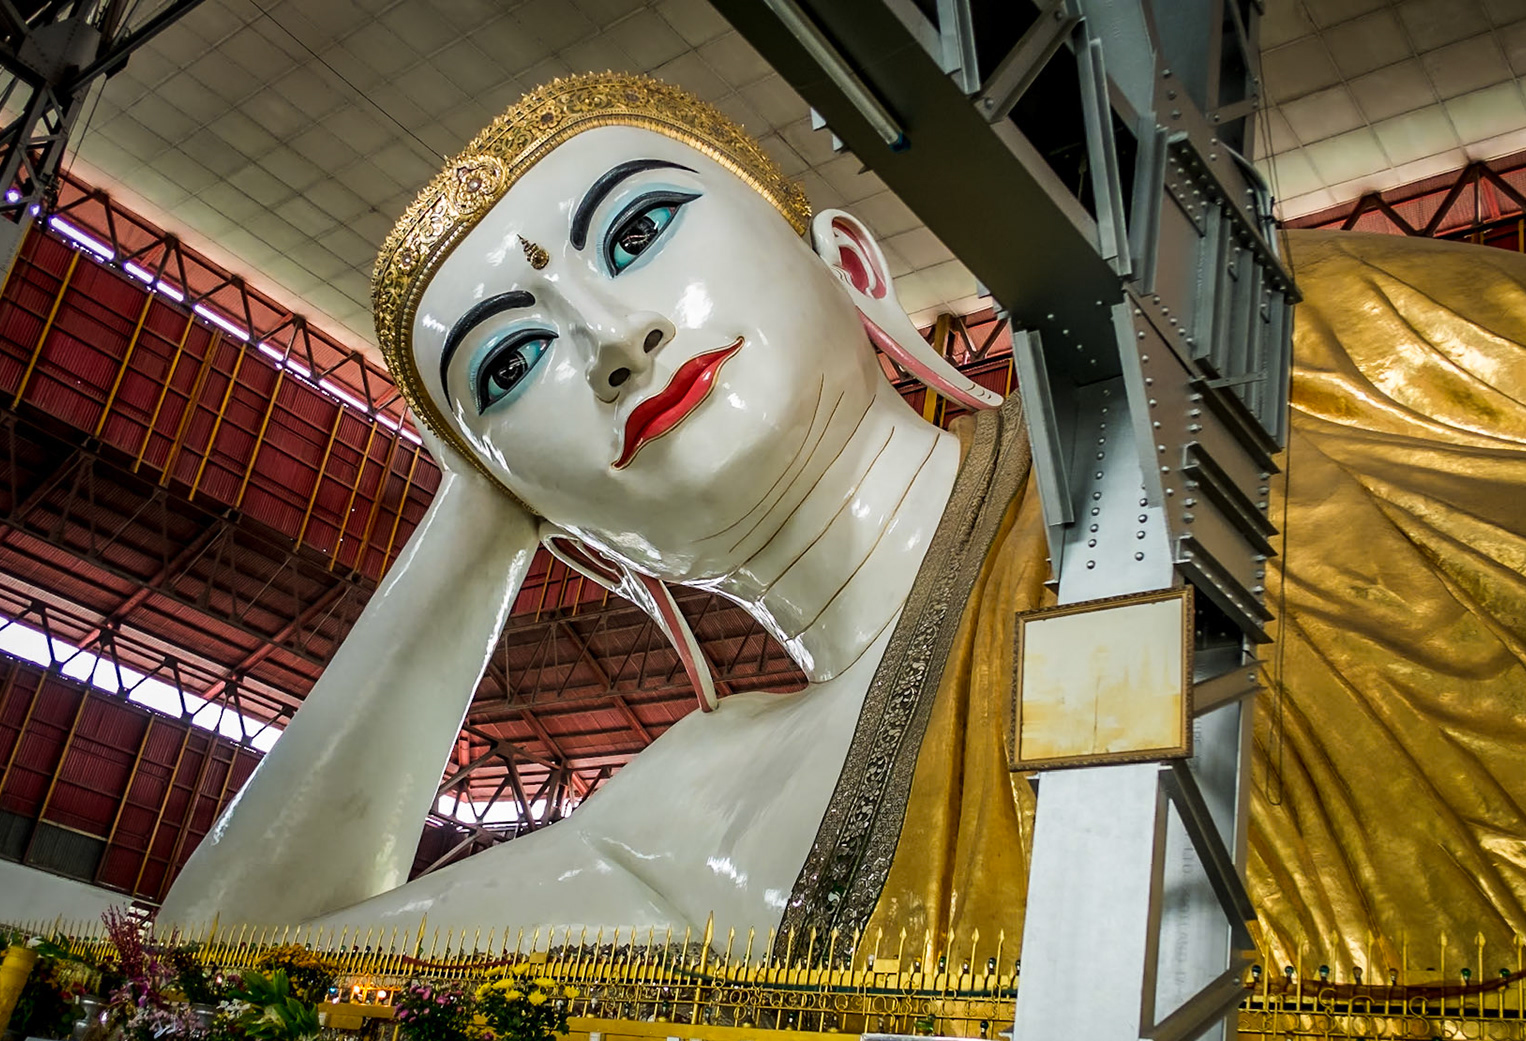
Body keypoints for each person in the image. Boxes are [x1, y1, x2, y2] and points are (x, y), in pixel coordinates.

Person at [157, 74, 1050, 961]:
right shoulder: (686, 813)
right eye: (510, 363)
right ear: (552, 521)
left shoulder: (1115, 471)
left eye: (636, 232)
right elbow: (214, 975)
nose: (613, 342)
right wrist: (477, 531)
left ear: (845, 265)